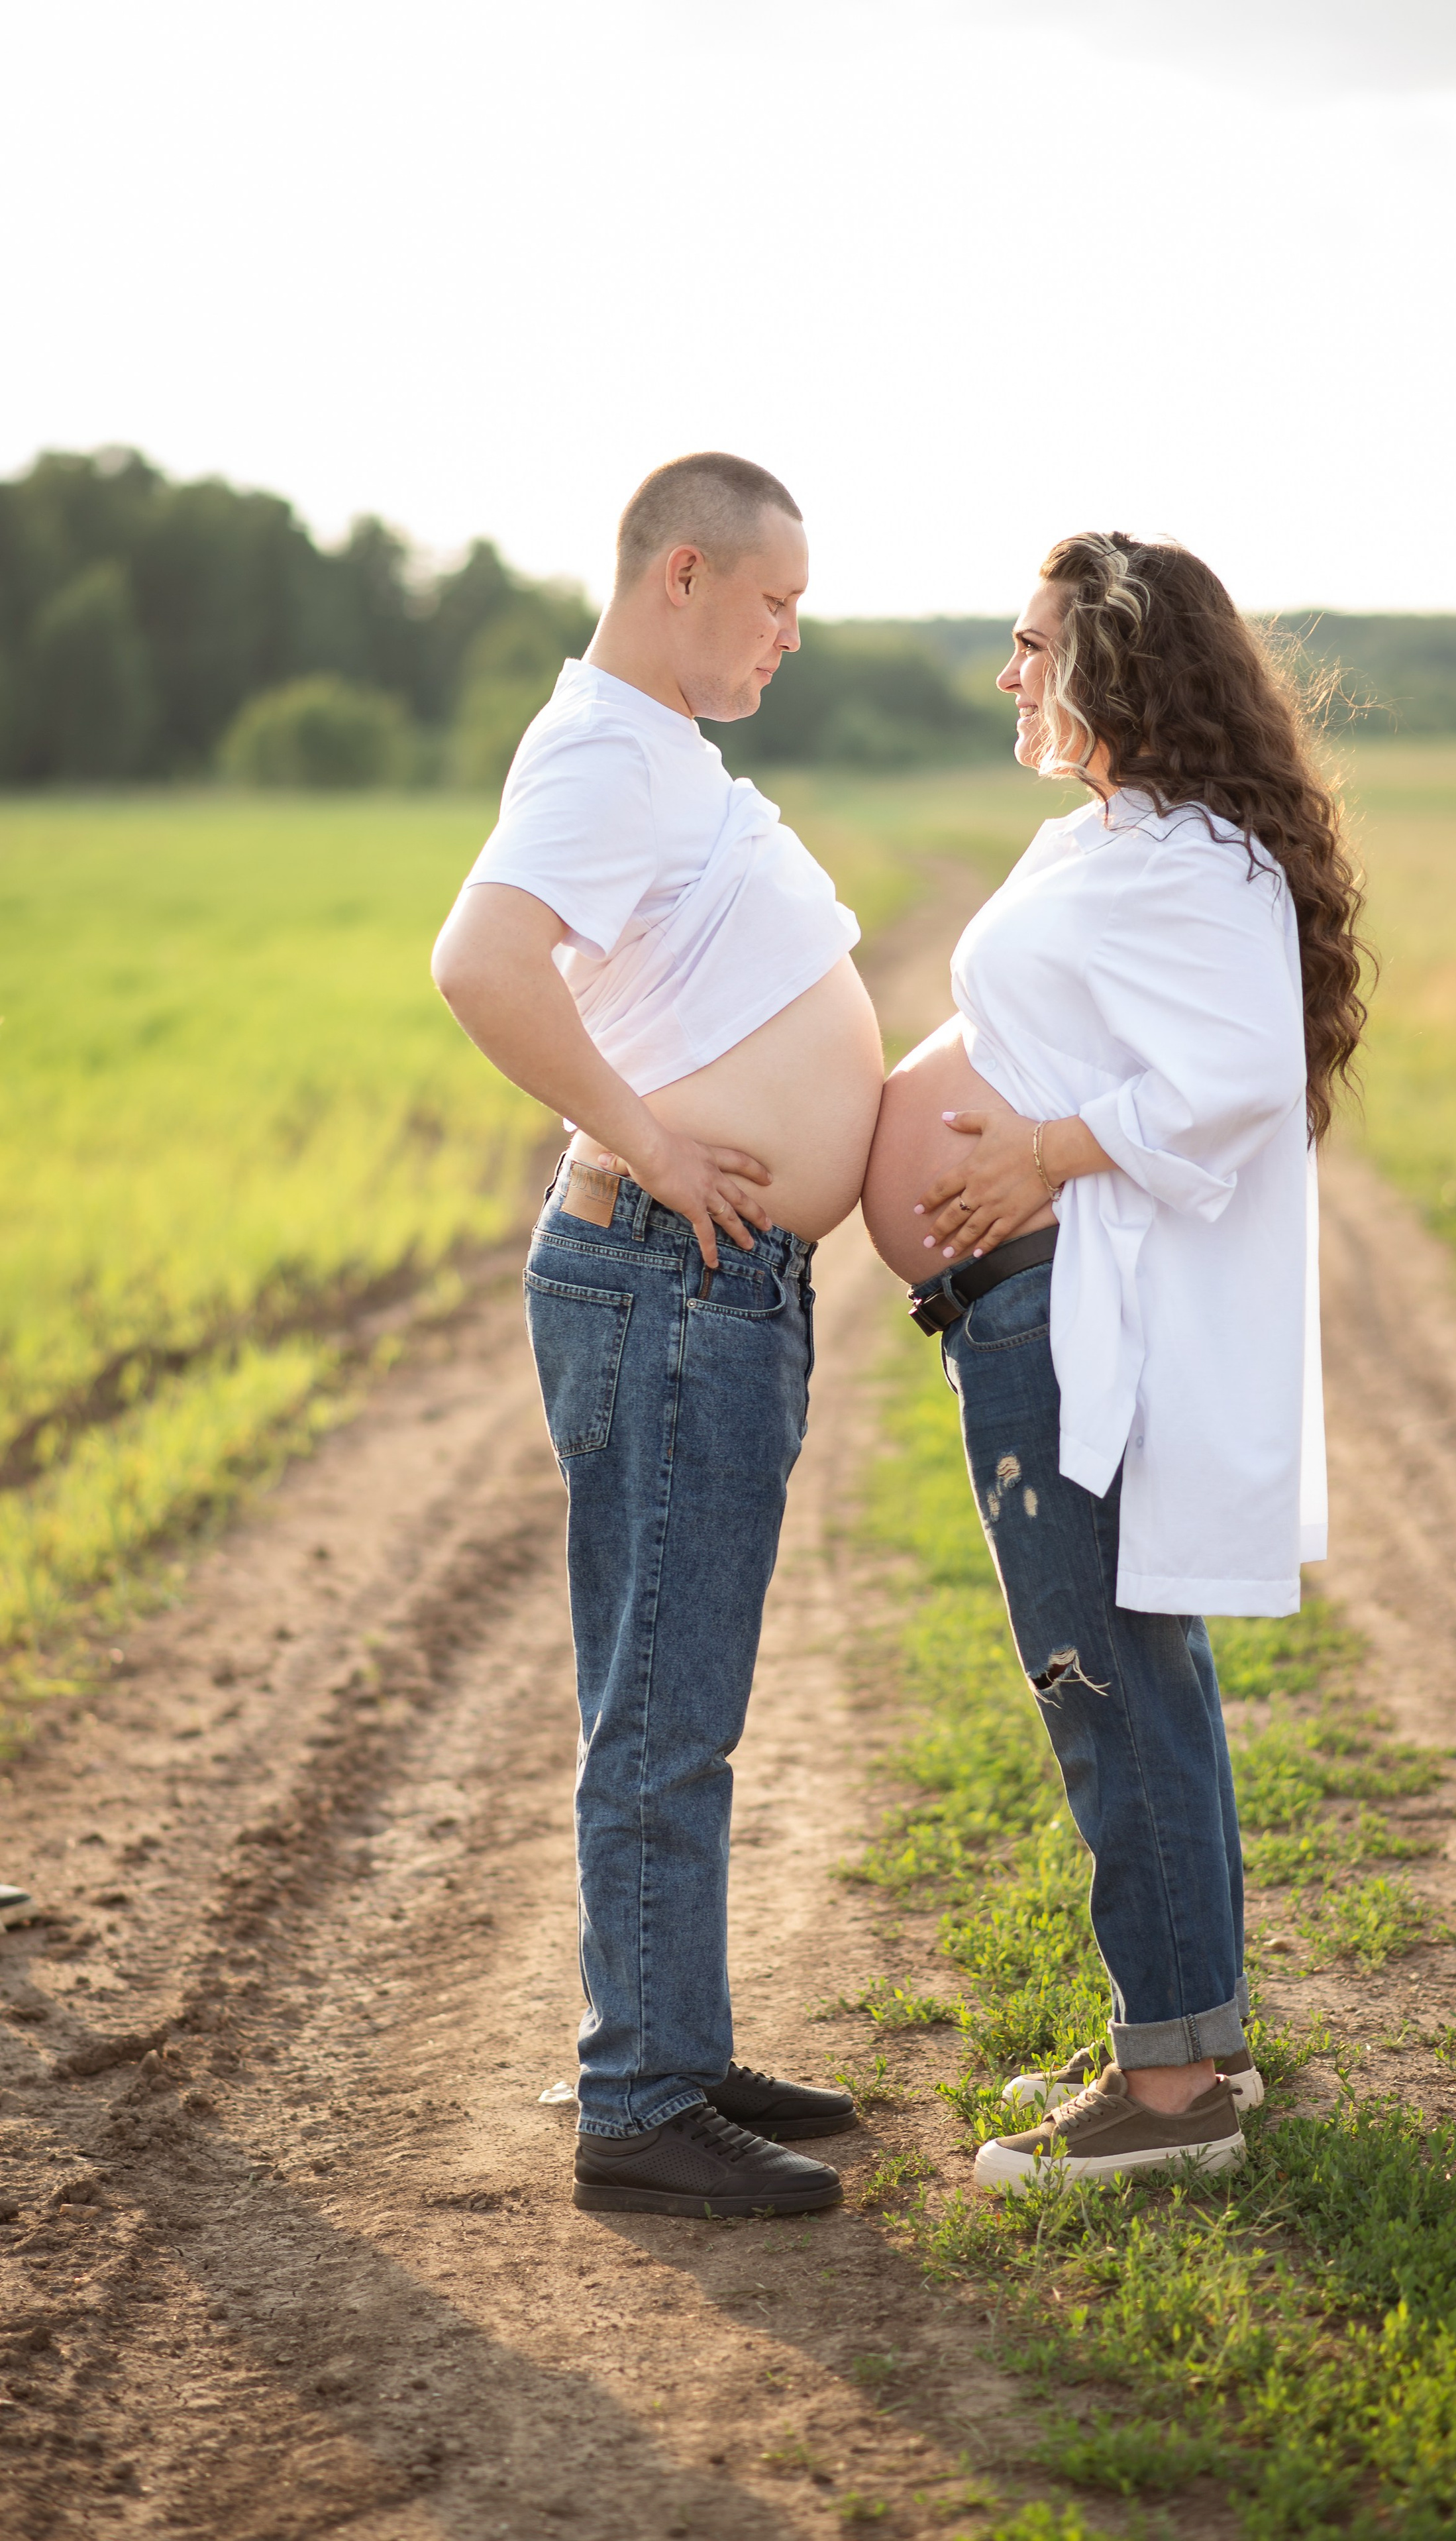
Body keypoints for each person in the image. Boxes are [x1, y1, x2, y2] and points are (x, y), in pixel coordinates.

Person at [860, 533, 1367, 2190]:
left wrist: (1038, 1158)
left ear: (1115, 664)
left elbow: (1228, 1078)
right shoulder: (1107, 841)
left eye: (1030, 645)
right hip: (1020, 1309)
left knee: (1102, 1685)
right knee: (1136, 1677)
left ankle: (1170, 2104)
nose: (1008, 672)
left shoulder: (1197, 862)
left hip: (1065, 1310)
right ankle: (1185, 2039)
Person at [431, 453, 884, 2217]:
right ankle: (639, 2098)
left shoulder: (654, 751)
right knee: (660, 1698)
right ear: (680, 571)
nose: (790, 635)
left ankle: (674, 2043)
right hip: (663, 1279)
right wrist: (639, 1127)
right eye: (774, 601)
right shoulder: (608, 747)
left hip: (708, 1291)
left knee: (681, 1687)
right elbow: (481, 960)